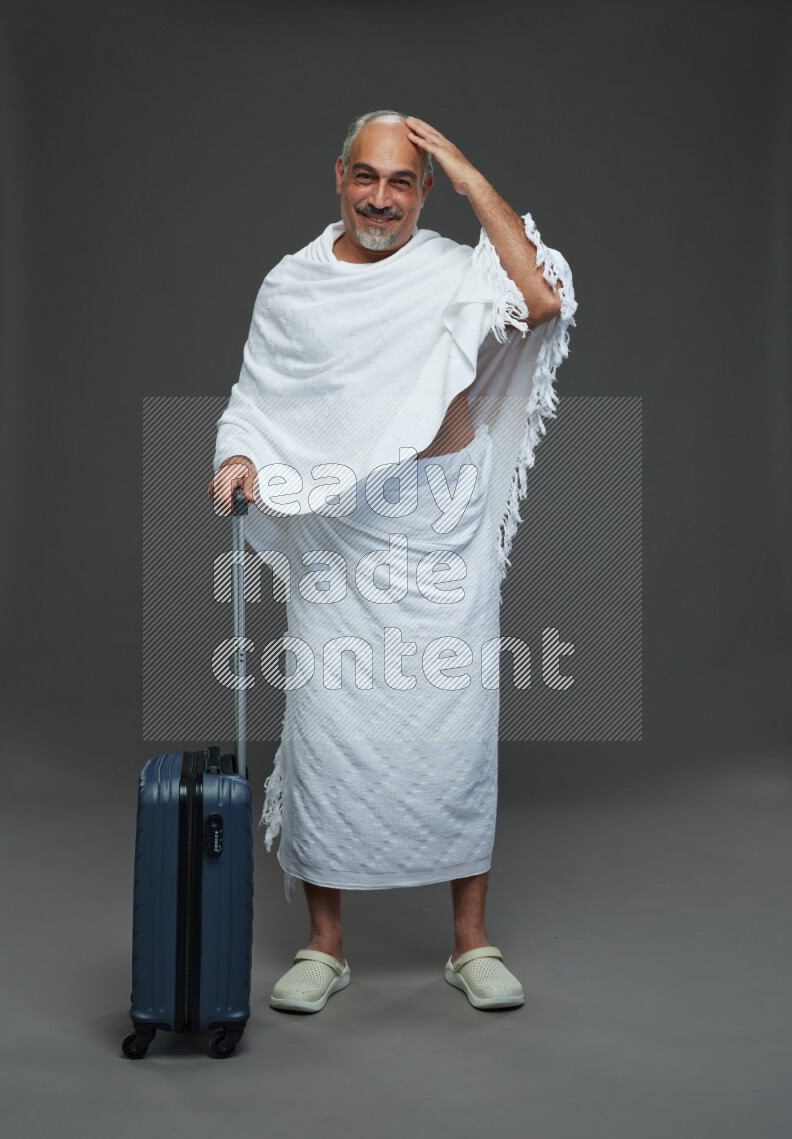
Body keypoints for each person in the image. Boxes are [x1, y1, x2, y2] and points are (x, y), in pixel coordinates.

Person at [208, 110, 577, 1013]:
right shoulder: (292, 286)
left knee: (454, 730)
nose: (382, 198)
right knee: (331, 728)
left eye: (403, 181)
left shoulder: (455, 271)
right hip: (342, 533)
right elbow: (254, 397)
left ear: (421, 189)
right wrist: (237, 456)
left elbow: (539, 302)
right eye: (368, 177)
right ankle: (325, 944)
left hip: (441, 531)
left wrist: (462, 166)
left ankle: (470, 941)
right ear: (339, 176)